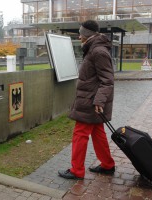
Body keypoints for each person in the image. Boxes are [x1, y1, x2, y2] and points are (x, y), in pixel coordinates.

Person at [58, 20, 115, 180]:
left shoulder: (98, 52)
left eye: (81, 33)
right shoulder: (94, 49)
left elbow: (108, 80)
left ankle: (76, 170)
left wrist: (99, 102)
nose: (79, 35)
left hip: (91, 102)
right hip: (91, 100)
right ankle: (108, 165)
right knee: (98, 133)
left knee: (80, 134)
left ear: (87, 34)